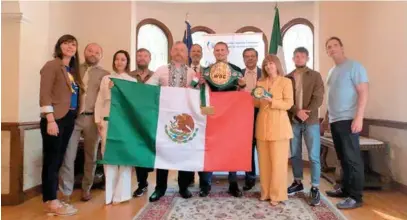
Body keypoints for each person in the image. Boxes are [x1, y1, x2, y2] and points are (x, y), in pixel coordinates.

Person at [146, 41, 196, 202]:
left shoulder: (192, 73)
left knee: (184, 152)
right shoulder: (161, 70)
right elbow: (147, 88)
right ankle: (160, 188)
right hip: (164, 120)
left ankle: (183, 187)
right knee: (163, 152)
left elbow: (199, 93)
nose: (179, 53)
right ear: (171, 52)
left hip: (186, 119)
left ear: (187, 54)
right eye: (176, 50)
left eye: (182, 50)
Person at [322, 37, 368, 209]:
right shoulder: (332, 71)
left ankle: (356, 197)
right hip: (335, 120)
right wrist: (327, 117)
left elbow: (363, 91)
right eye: (329, 47)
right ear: (327, 52)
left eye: (335, 45)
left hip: (349, 119)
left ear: (341, 47)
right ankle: (345, 189)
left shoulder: (355, 66)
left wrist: (359, 116)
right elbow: (332, 97)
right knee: (343, 159)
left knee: (352, 159)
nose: (332, 48)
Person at [39, 34, 83, 216]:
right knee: (51, 160)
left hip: (69, 118)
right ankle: (51, 200)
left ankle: (53, 200)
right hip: (54, 119)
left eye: (73, 44)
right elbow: (45, 94)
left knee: (58, 159)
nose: (70, 47)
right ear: (59, 46)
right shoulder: (52, 66)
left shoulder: (72, 70)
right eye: (66, 43)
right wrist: (49, 119)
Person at [59, 43, 109, 202]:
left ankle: (86, 189)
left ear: (101, 56)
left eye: (97, 52)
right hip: (73, 118)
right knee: (68, 155)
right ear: (85, 52)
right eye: (90, 50)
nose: (93, 54)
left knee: (91, 156)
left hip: (93, 119)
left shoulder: (105, 74)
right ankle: (66, 192)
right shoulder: (73, 69)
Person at [201, 41, 246, 197]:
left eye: (222, 50)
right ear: (213, 53)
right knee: (210, 147)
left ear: (227, 52)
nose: (219, 52)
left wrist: (243, 85)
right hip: (212, 115)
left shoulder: (236, 70)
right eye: (217, 50)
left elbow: (242, 93)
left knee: (231, 148)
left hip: (231, 116)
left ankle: (233, 184)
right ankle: (205, 185)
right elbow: (202, 93)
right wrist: (199, 83)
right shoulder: (206, 71)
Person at [95, 50, 137, 205]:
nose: (120, 62)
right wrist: (98, 120)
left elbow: (134, 104)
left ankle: (122, 194)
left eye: (123, 59)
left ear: (127, 62)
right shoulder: (106, 79)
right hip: (107, 121)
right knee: (109, 156)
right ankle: (109, 195)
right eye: (117, 59)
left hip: (125, 124)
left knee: (124, 158)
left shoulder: (131, 81)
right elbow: (100, 100)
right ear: (114, 61)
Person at [286, 47, 324, 206]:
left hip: (311, 121)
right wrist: (296, 111)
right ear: (293, 59)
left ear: (307, 58)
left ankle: (315, 187)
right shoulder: (287, 77)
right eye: (296, 56)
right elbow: (286, 98)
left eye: (302, 56)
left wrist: (305, 113)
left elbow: (319, 97)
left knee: (314, 156)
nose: (299, 58)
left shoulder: (315, 76)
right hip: (294, 120)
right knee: (294, 153)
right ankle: (297, 181)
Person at [254, 54, 293, 206]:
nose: (268, 66)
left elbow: (288, 104)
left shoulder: (286, 82)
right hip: (262, 127)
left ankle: (277, 195)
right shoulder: (260, 82)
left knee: (278, 164)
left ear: (277, 65)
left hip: (280, 128)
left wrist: (272, 101)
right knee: (264, 163)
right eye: (265, 64)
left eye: (271, 63)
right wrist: (253, 97)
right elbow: (256, 104)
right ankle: (265, 193)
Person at [129, 48, 155, 197]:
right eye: (139, 55)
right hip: (134, 119)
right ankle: (142, 184)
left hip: (151, 118)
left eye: (145, 55)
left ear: (150, 58)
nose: (142, 58)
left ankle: (159, 184)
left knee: (150, 150)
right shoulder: (128, 76)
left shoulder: (156, 76)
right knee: (139, 151)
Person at [241, 48, 262, 191]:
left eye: (252, 56)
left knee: (262, 146)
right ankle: (250, 177)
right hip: (243, 115)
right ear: (243, 59)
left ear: (257, 58)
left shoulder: (264, 74)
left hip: (261, 114)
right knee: (248, 147)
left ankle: (266, 177)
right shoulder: (238, 75)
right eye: (247, 56)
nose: (250, 59)